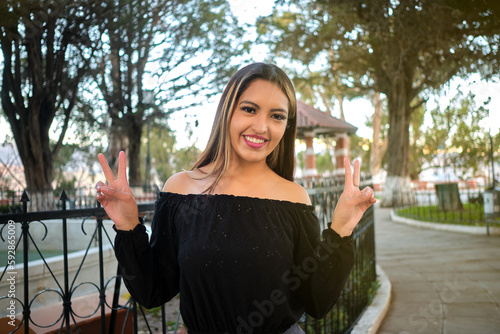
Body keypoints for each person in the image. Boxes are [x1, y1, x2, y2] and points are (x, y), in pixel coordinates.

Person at [95, 63, 376, 334]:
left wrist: (340, 230)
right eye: (249, 109)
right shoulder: (181, 190)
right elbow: (152, 291)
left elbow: (316, 301)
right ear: (227, 112)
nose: (262, 126)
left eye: (276, 116)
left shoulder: (294, 199)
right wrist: (129, 225)